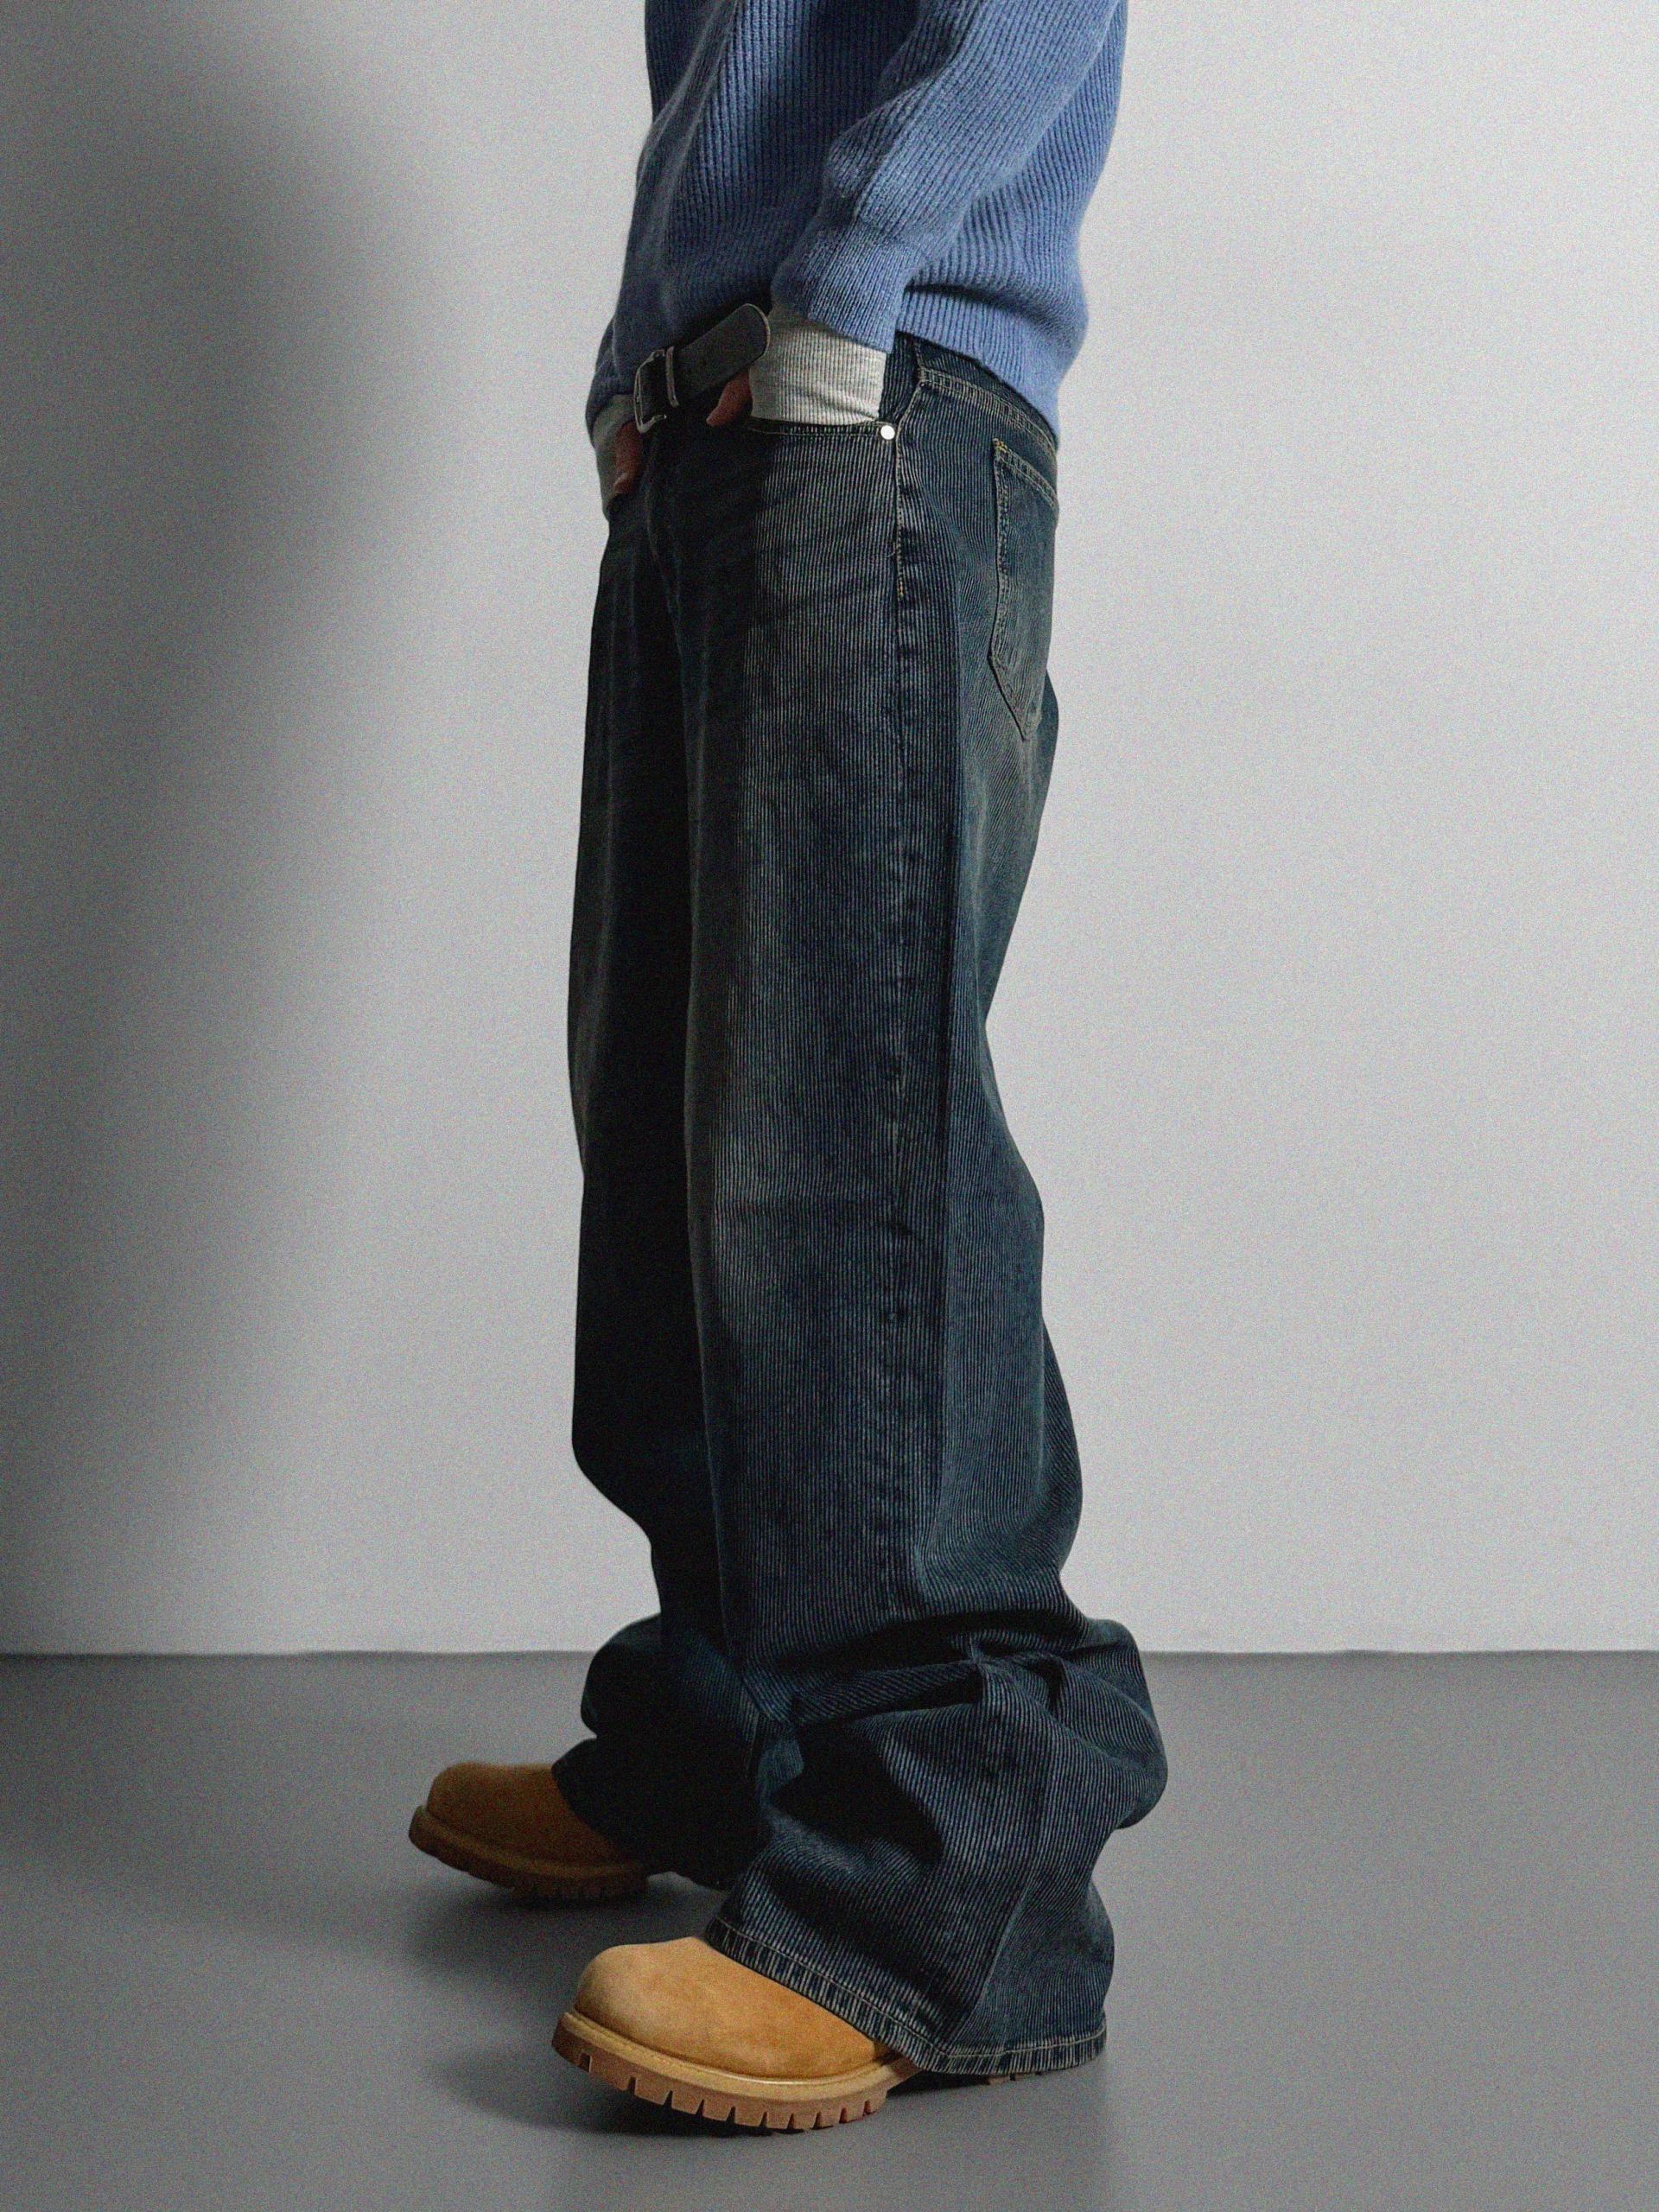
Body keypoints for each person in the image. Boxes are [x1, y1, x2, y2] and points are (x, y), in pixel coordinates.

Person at [410, 0, 1166, 2132]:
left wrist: (843, 287)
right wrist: (640, 373)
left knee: (843, 1151)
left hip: (876, 392)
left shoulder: (864, 334)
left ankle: (946, 1877)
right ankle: (733, 1731)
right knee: (672, 1130)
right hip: (725, 409)